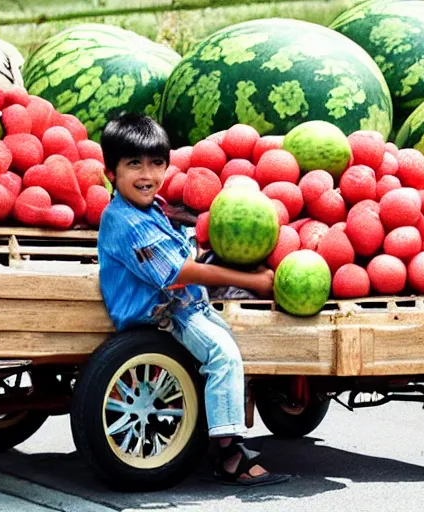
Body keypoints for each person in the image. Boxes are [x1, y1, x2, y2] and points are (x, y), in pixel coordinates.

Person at [97, 113, 290, 487]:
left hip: (183, 306)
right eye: (134, 164)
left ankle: (214, 422)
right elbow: (179, 275)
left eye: (156, 164)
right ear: (111, 173)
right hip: (163, 315)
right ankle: (229, 453)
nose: (147, 175)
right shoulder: (125, 220)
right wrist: (251, 280)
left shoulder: (147, 208)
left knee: (235, 343)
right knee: (224, 354)